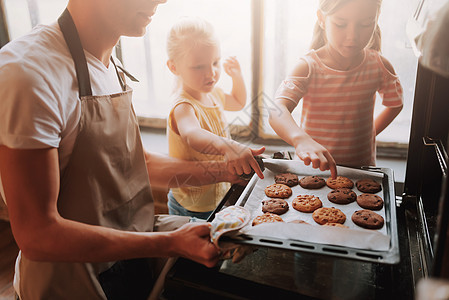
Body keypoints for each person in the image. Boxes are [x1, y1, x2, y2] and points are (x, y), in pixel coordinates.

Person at [0, 1, 244, 299]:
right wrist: (167, 242)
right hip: (73, 280)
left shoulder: (109, 64)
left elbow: (136, 164)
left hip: (129, 260)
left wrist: (227, 171)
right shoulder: (27, 74)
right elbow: (38, 234)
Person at [269, 0, 403, 178]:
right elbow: (276, 110)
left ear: (377, 18)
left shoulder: (378, 66)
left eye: (365, 23)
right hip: (313, 172)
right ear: (322, 19)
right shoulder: (308, 66)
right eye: (340, 24)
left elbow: (395, 104)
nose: (352, 36)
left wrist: (367, 135)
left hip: (360, 173)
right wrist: (300, 140)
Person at [165, 17, 265, 219]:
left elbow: (237, 101)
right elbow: (192, 134)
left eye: (215, 62)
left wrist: (236, 76)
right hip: (192, 203)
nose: (211, 72)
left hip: (217, 191)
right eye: (198, 67)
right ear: (174, 67)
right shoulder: (183, 106)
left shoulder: (214, 93)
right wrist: (229, 146)